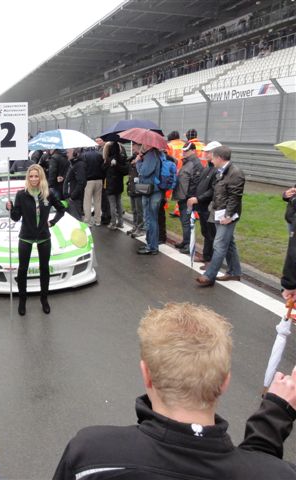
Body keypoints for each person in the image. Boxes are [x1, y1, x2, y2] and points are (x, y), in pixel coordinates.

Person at [53, 302, 296, 479]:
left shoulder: (91, 455)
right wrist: (274, 416)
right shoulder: (278, 474)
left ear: (146, 374)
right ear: (225, 382)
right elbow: (255, 469)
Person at [7, 164, 65, 315]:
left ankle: (44, 299)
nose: (33, 179)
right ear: (28, 177)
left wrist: (52, 222)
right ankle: (22, 301)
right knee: (22, 270)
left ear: (41, 177)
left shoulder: (48, 193)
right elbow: (15, 217)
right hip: (26, 236)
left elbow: (61, 209)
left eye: (36, 176)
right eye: (31, 176)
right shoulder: (21, 194)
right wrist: (10, 208)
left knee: (44, 269)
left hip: (44, 237)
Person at [196, 146, 245, 287]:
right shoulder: (221, 171)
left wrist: (229, 215)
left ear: (219, 158)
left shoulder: (235, 173)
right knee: (228, 243)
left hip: (227, 215)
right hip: (218, 212)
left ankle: (209, 276)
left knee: (219, 244)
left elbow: (235, 197)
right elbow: (218, 192)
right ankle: (234, 272)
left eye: (212, 156)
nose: (210, 158)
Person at [187, 141, 221, 270]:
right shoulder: (207, 168)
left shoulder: (216, 170)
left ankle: (211, 260)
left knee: (211, 234)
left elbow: (213, 190)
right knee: (205, 232)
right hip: (202, 206)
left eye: (208, 152)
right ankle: (206, 256)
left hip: (209, 206)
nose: (205, 154)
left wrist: (198, 198)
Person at [172, 142, 204, 254]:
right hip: (183, 197)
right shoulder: (188, 162)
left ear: (193, 151)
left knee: (187, 222)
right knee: (184, 221)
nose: (184, 152)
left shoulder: (195, 164)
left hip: (187, 198)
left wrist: (188, 197)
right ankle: (185, 242)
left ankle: (189, 245)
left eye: (186, 150)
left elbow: (196, 183)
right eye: (183, 150)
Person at [135, 144, 163, 255]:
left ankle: (152, 247)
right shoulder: (154, 154)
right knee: (151, 219)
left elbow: (144, 172)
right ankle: (150, 244)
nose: (142, 145)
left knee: (151, 219)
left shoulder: (151, 155)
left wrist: (138, 161)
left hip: (152, 191)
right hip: (153, 190)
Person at [101, 141, 128, 230]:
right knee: (119, 203)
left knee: (112, 204)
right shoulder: (121, 158)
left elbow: (103, 170)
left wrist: (110, 164)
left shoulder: (108, 159)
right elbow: (125, 171)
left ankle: (113, 223)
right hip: (119, 183)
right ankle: (120, 222)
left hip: (110, 184)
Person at [81, 147, 105, 226]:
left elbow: (83, 168)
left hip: (89, 180)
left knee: (87, 201)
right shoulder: (100, 155)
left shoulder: (84, 155)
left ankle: (88, 221)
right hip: (99, 180)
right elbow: (103, 167)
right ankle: (98, 220)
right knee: (97, 201)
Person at [63, 148, 86, 221]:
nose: (67, 154)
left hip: (74, 199)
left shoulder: (79, 165)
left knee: (76, 221)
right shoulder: (73, 163)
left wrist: (72, 196)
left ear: (75, 153)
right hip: (71, 197)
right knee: (72, 221)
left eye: (68, 152)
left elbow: (81, 182)